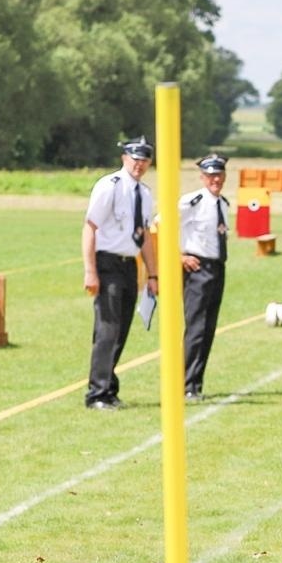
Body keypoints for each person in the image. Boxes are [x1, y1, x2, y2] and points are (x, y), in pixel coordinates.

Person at [81, 136, 157, 410]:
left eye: (145, 159)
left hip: (129, 264)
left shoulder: (144, 193)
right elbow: (90, 227)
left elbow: (145, 235)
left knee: (122, 329)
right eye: (135, 158)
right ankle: (97, 393)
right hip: (108, 263)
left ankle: (109, 388)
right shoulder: (110, 186)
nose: (139, 164)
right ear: (124, 158)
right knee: (107, 328)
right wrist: (90, 271)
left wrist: (152, 274)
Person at [178, 153, 231, 402]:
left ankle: (196, 384)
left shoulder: (223, 205)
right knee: (196, 328)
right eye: (210, 175)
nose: (215, 180)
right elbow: (160, 225)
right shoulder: (192, 202)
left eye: (219, 175)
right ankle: (186, 384)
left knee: (208, 329)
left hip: (217, 268)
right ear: (202, 177)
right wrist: (178, 256)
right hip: (196, 269)